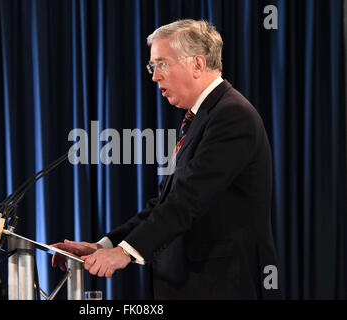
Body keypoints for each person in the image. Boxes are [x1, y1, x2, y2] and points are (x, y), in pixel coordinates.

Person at [52, 19, 281, 299]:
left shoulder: (232, 116)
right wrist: (105, 246)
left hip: (222, 286)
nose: (154, 76)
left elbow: (188, 200)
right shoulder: (203, 118)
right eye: (153, 66)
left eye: (162, 64)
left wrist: (124, 253)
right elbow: (164, 204)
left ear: (198, 64)